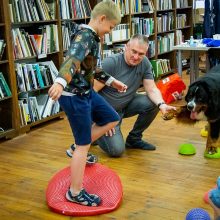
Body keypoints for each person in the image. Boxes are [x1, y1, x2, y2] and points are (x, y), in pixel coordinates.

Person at [48, 0, 127, 206]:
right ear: (102, 19)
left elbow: (91, 67)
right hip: (73, 96)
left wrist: (112, 81)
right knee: (85, 144)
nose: (110, 31)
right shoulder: (84, 36)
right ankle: (74, 192)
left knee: (111, 118)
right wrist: (59, 81)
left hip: (86, 92)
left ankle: (76, 147)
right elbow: (73, 60)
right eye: (111, 27)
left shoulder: (92, 36)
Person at [66, 34, 176, 158]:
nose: (136, 57)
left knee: (153, 103)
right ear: (126, 47)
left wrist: (162, 104)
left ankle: (134, 139)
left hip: (126, 104)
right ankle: (94, 132)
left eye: (141, 54)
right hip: (106, 112)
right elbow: (90, 94)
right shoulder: (111, 63)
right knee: (116, 151)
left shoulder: (144, 63)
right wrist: (103, 119)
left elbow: (151, 88)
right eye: (134, 52)